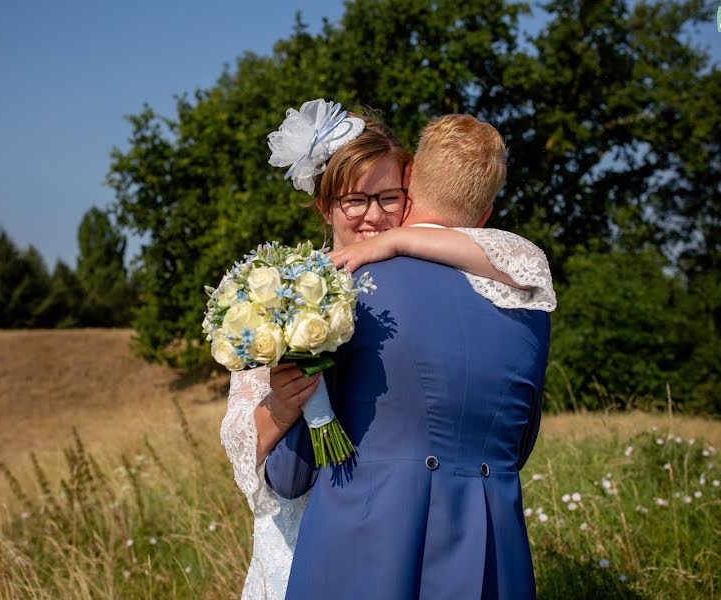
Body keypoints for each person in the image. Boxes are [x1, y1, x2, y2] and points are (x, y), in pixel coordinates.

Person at [219, 100, 553, 600]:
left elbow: (293, 472)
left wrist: (399, 245)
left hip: (354, 544)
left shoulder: (364, 294)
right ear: (325, 206)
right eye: (355, 200)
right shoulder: (295, 303)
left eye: (390, 197)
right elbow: (274, 470)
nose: (374, 217)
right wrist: (283, 404)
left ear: (412, 190)